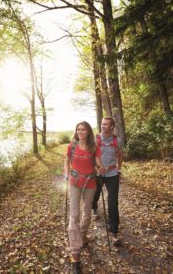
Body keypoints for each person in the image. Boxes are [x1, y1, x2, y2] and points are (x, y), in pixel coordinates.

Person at [64, 121, 104, 273]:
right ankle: (75, 253)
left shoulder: (94, 147)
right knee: (74, 215)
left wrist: (100, 168)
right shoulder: (72, 146)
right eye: (78, 129)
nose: (80, 132)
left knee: (87, 213)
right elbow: (67, 160)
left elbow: (99, 163)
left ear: (88, 132)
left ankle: (81, 236)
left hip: (90, 183)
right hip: (74, 182)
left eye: (83, 129)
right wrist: (66, 173)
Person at [92, 117, 124, 246]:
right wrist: (96, 168)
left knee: (113, 202)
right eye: (102, 124)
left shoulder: (118, 141)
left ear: (112, 127)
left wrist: (119, 169)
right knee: (96, 193)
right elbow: (92, 156)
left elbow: (120, 155)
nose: (103, 126)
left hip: (112, 173)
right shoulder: (95, 140)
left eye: (106, 124)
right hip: (98, 173)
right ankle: (94, 207)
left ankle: (114, 230)